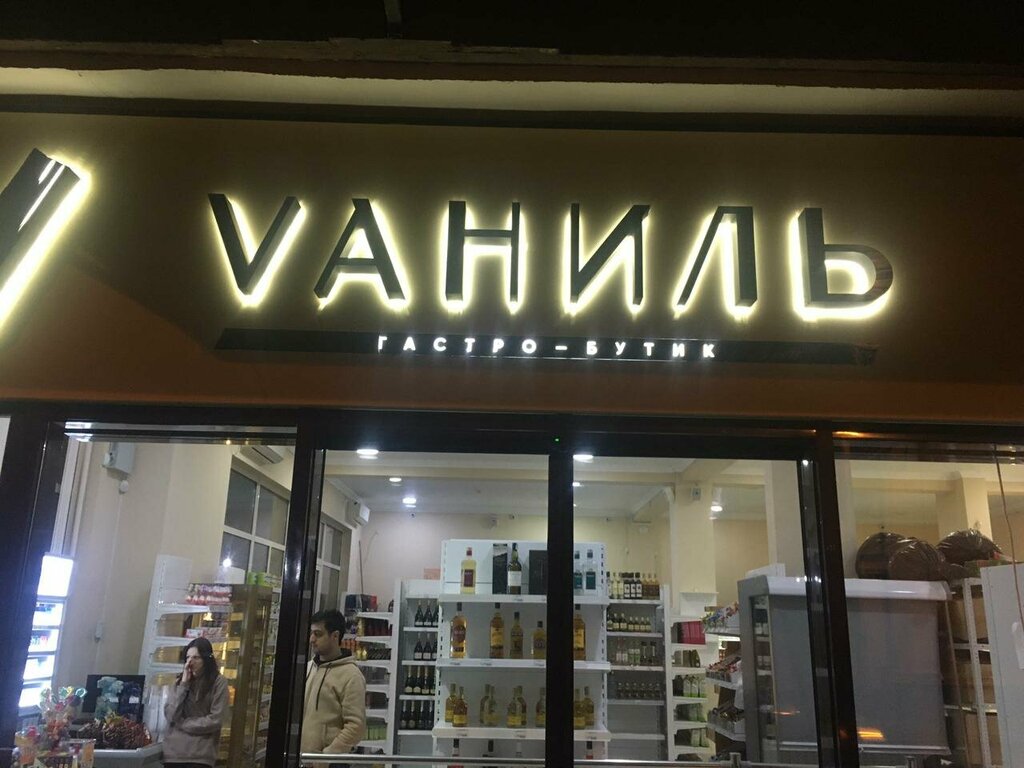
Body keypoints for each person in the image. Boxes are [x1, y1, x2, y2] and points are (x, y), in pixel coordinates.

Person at [301, 609, 366, 764]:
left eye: (318, 634)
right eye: (311, 633)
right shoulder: (308, 668)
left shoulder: (351, 675)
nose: (312, 639)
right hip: (301, 759)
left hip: (329, 763)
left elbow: (355, 726)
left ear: (335, 636)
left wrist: (326, 758)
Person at [163, 637, 229, 768]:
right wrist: (184, 684)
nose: (190, 662)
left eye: (196, 658)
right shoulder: (180, 682)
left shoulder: (218, 682)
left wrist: (184, 724)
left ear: (206, 659)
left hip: (200, 755)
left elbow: (216, 719)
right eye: (188, 657)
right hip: (173, 754)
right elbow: (171, 714)